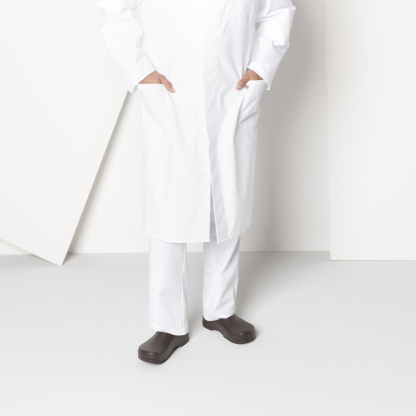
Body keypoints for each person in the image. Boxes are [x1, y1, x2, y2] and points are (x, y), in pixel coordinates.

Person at [97, 0, 295, 364]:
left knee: (227, 201)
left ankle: (220, 309)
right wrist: (140, 72)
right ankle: (168, 323)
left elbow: (279, 10)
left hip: (231, 95)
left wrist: (260, 68)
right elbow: (113, 8)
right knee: (168, 206)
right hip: (171, 97)